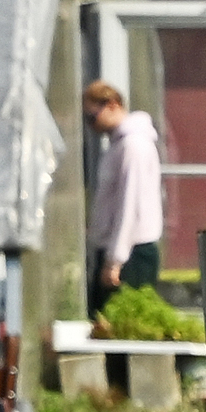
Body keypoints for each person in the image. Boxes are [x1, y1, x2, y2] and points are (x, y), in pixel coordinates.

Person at [83, 81, 163, 323]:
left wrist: (115, 260)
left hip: (132, 254)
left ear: (112, 105)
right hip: (116, 251)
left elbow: (130, 205)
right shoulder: (117, 146)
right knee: (103, 325)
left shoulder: (134, 146)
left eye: (92, 117)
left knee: (122, 327)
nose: (91, 125)